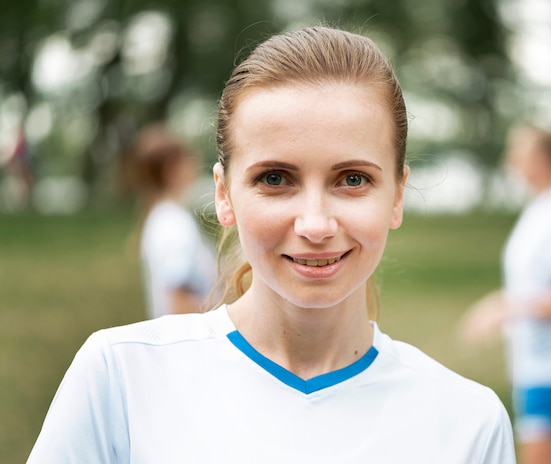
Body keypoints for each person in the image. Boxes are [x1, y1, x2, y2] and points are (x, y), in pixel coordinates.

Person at [28, 26, 515, 463]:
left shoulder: (468, 423)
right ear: (224, 194)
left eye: (352, 179)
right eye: (276, 178)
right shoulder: (121, 378)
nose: (316, 223)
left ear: (397, 195)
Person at [460, 124, 551, 464]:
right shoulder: (542, 209)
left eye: (519, 150)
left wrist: (503, 309)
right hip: (537, 361)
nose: (511, 158)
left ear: (545, 160)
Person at [124, 124, 217, 318]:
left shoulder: (162, 217)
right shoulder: (173, 224)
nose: (196, 164)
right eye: (189, 159)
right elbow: (180, 302)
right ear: (171, 169)